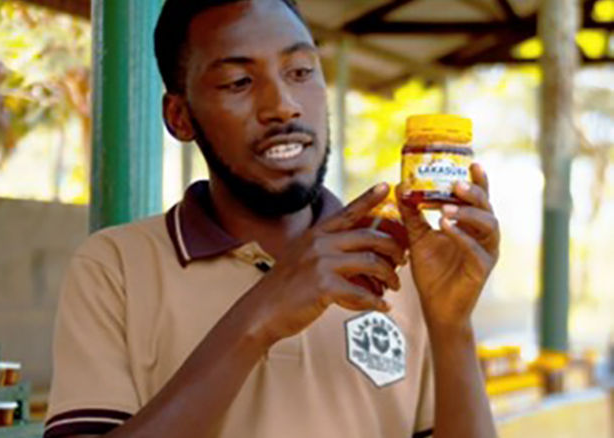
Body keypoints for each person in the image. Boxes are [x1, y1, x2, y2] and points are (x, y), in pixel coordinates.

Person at [43, 0, 500, 437]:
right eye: (239, 82)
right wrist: (262, 314)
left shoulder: (397, 262)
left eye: (300, 72)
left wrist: (452, 327)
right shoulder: (115, 268)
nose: (283, 105)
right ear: (180, 116)